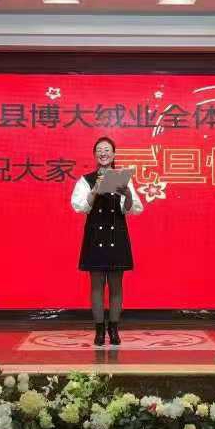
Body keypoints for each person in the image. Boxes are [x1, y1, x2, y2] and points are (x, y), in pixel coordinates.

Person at [71, 137, 143, 346]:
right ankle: (99, 330)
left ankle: (114, 329)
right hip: (95, 236)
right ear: (95, 155)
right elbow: (81, 207)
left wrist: (127, 192)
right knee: (96, 285)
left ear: (114, 154)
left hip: (116, 236)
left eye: (107, 150)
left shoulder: (122, 178)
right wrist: (95, 189)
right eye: (100, 150)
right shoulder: (86, 180)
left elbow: (131, 209)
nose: (103, 153)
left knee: (116, 285)